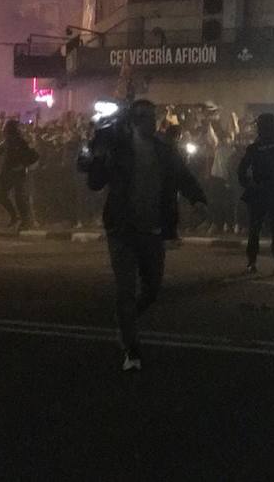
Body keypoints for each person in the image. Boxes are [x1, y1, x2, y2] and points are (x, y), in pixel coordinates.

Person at [83, 99, 208, 372]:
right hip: (122, 228)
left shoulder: (163, 148)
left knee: (152, 289)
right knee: (126, 289)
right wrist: (95, 156)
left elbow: (182, 175)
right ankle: (131, 348)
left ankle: (125, 319)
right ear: (134, 120)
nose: (151, 121)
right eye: (145, 116)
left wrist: (197, 199)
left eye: (153, 116)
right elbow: (95, 181)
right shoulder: (119, 147)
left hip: (152, 228)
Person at [237, 113, 274, 275]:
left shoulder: (254, 148)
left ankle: (251, 263)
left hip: (258, 192)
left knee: (254, 229)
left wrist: (249, 184)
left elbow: (241, 170)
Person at [0, 120, 39, 232]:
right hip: (6, 173)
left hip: (17, 174)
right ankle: (14, 217)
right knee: (0, 195)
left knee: (19, 198)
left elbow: (33, 156)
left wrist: (22, 165)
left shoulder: (20, 141)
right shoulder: (6, 141)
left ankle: (24, 221)